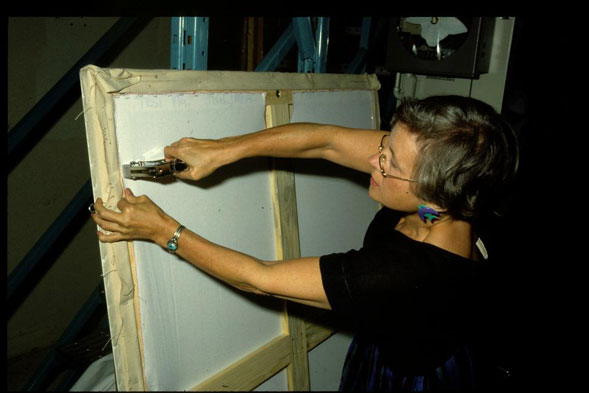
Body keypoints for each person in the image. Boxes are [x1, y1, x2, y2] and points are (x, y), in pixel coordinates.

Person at [90, 95, 518, 391]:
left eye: (390, 162)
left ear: (434, 194)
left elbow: (261, 279)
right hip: (410, 327)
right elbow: (328, 142)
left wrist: (163, 230)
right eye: (385, 143)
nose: (374, 158)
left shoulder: (403, 276)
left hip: (410, 374)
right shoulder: (448, 199)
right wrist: (223, 150)